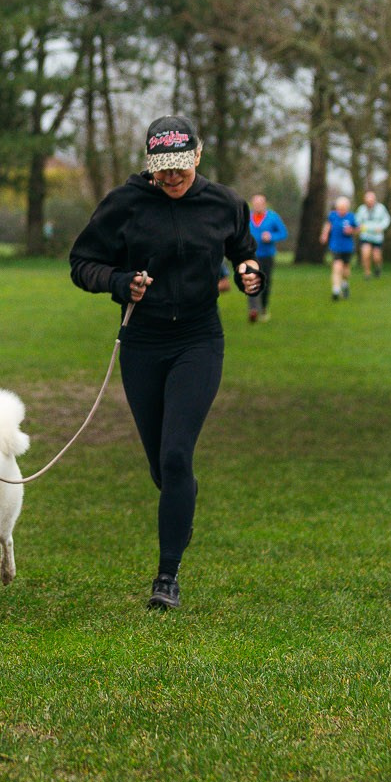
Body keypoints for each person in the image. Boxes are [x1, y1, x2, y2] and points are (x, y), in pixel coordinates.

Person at [68, 115, 260, 612]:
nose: (171, 179)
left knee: (177, 456)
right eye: (162, 170)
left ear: (197, 156)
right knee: (162, 467)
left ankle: (167, 576)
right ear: (149, 164)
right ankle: (181, 503)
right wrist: (120, 281)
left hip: (198, 340)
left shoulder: (224, 203)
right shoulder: (126, 204)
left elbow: (243, 249)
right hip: (143, 343)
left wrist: (248, 272)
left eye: (180, 168)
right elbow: (83, 263)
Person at [245, 195, 288, 324]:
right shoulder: (246, 217)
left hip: (267, 255)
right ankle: (253, 309)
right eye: (255, 204)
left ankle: (263, 307)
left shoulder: (272, 217)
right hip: (250, 255)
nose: (257, 206)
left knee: (265, 282)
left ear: (265, 204)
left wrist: (271, 236)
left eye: (260, 204)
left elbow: (283, 233)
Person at [322, 196, 359, 299]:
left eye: (343, 209)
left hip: (347, 247)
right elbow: (328, 225)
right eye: (339, 209)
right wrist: (324, 234)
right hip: (335, 245)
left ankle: (345, 283)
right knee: (337, 266)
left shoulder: (351, 217)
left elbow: (358, 229)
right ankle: (336, 290)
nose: (341, 211)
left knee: (346, 270)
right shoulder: (332, 216)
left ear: (347, 208)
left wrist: (352, 230)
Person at [353, 189, 391, 279]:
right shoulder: (361, 209)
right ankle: (367, 273)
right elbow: (357, 221)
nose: (369, 203)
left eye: (371, 201)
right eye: (367, 201)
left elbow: (386, 219)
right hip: (365, 235)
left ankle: (378, 268)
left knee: (376, 257)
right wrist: (359, 226)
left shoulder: (381, 208)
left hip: (377, 237)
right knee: (365, 254)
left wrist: (381, 227)